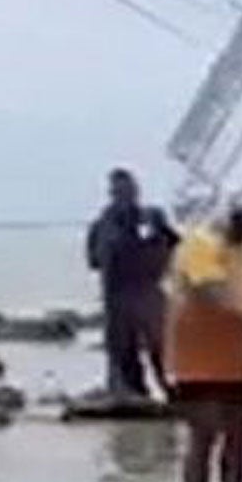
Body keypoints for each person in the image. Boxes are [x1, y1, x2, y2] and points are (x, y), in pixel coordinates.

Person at [166, 193, 242, 482]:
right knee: (204, 436)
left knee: (240, 437)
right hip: (197, 360)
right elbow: (209, 290)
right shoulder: (200, 245)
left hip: (237, 363)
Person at [85, 169, 178, 401]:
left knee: (161, 347)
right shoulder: (103, 224)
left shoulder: (153, 218)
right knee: (124, 350)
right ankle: (133, 393)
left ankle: (172, 391)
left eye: (129, 190)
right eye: (119, 191)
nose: (126, 195)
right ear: (112, 194)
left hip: (148, 290)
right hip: (117, 295)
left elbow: (176, 245)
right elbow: (95, 260)